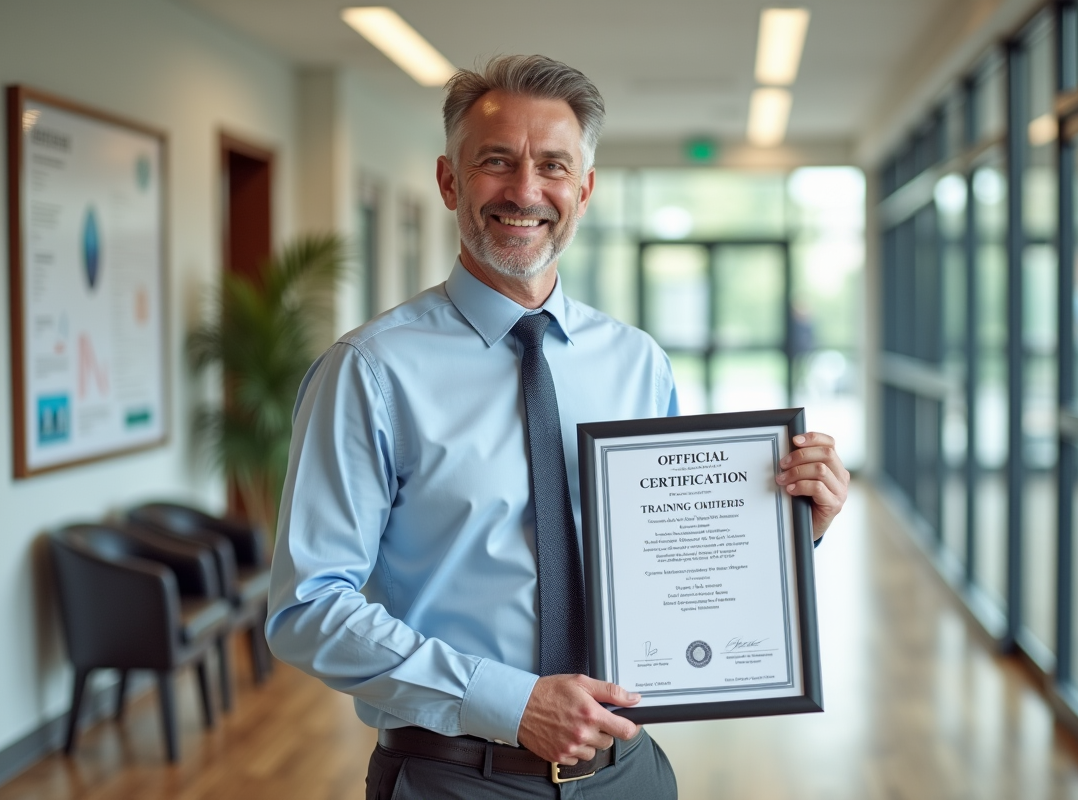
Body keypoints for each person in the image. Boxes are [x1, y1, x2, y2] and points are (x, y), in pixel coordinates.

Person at [266, 54, 850, 800]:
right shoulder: (370, 371)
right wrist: (510, 702)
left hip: (627, 773)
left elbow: (671, 550)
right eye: (496, 162)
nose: (525, 191)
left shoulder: (637, 362)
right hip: (455, 778)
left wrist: (792, 529)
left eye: (552, 165)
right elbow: (308, 607)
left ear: (585, 188)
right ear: (449, 182)